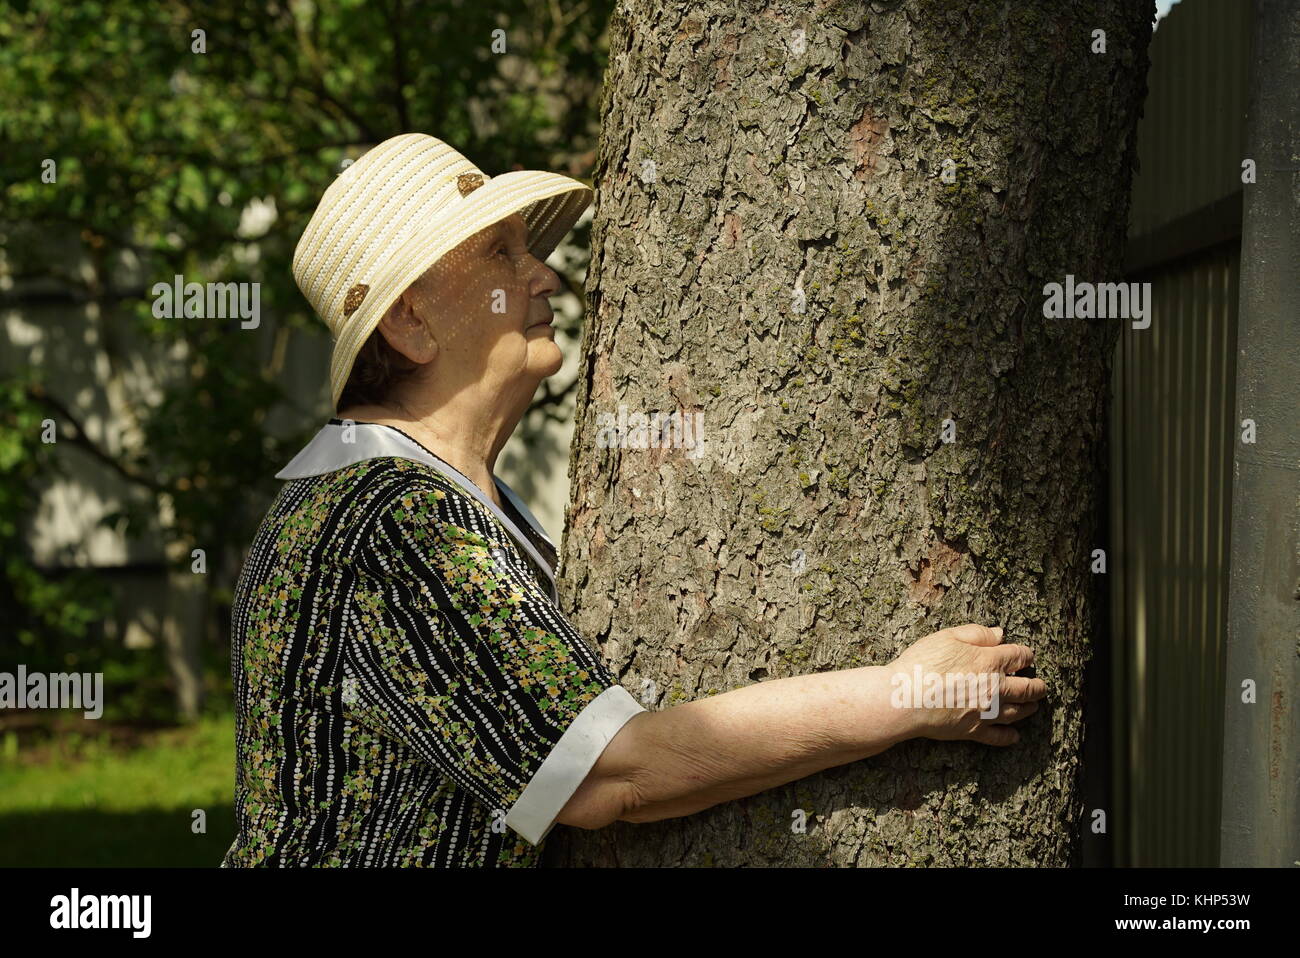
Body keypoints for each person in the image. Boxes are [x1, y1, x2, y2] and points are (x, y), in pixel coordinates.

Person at [221, 133, 1045, 867]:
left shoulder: (433, 504)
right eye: (502, 255)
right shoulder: (389, 524)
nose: (544, 273)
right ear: (410, 323)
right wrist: (908, 695)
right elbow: (617, 773)